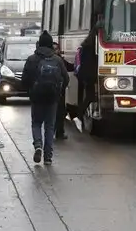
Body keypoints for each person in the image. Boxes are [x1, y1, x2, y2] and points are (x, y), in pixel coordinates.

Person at [21, 31, 68, 165]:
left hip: (36, 97)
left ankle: (38, 146)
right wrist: (58, 91)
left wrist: (30, 90)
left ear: (39, 44)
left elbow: (25, 80)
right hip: (52, 98)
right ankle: (48, 157)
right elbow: (66, 79)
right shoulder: (57, 60)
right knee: (49, 126)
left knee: (36, 123)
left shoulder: (32, 59)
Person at [53, 42, 74, 140]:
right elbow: (67, 72)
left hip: (47, 91)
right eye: (56, 49)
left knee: (50, 112)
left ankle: (50, 133)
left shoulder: (42, 59)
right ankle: (59, 132)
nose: (57, 51)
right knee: (60, 112)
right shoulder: (59, 60)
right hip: (59, 90)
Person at [78, 29, 98, 120]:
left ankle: (81, 113)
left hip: (85, 74)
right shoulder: (93, 47)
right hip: (90, 75)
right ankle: (80, 114)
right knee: (90, 96)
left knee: (90, 96)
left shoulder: (86, 46)